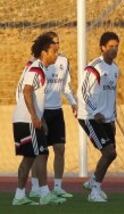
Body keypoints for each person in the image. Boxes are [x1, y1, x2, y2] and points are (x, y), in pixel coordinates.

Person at [12, 34, 66, 205]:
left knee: (29, 157)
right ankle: (44, 193)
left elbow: (33, 95)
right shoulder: (37, 69)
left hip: (24, 120)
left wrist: (40, 118)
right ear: (44, 52)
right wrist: (35, 117)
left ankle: (19, 196)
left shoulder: (38, 68)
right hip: (27, 121)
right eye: (54, 52)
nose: (56, 55)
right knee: (42, 153)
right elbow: (26, 91)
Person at [29, 31, 77, 199]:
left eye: (58, 41)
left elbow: (66, 85)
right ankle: (35, 186)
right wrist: (35, 113)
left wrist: (73, 102)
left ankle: (57, 186)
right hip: (41, 110)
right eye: (53, 42)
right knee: (40, 152)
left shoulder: (63, 61)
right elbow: (29, 88)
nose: (57, 44)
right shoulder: (36, 63)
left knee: (60, 148)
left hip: (57, 111)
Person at [77, 32, 120, 202]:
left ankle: (94, 181)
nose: (114, 50)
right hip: (90, 116)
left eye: (116, 46)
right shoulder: (94, 67)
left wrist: (113, 117)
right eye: (110, 46)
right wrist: (96, 112)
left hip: (107, 118)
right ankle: (94, 191)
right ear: (102, 47)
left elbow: (112, 96)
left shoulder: (115, 69)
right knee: (108, 152)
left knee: (112, 153)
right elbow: (83, 93)